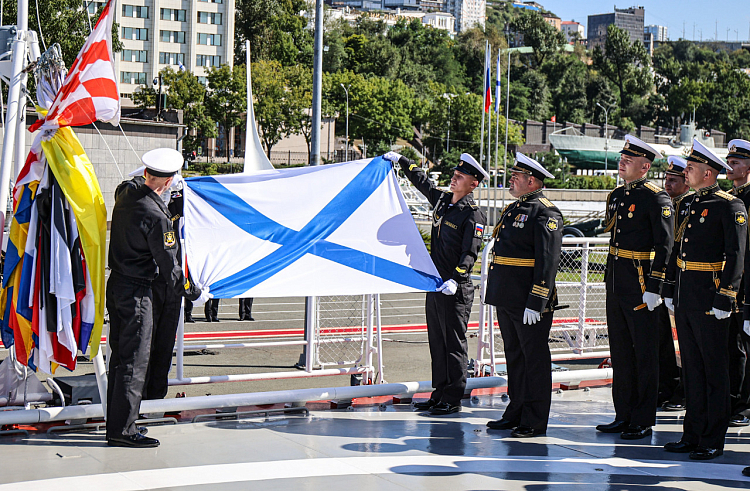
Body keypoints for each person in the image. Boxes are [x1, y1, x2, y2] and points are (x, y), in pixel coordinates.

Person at [106, 148, 211, 448]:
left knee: (120, 359)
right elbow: (170, 268)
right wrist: (194, 293)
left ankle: (115, 422)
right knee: (135, 362)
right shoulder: (158, 216)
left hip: (118, 285)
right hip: (139, 293)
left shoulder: (126, 194)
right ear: (168, 183)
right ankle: (123, 431)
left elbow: (128, 184)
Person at [383, 151, 487, 415]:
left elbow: (470, 253)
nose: (454, 179)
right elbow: (423, 182)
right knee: (437, 343)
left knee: (453, 345)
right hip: (436, 284)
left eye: (460, 177)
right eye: (454, 174)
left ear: (473, 184)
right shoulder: (443, 202)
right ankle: (438, 393)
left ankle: (452, 398)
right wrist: (404, 162)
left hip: (455, 288)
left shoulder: (473, 215)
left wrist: (456, 278)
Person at [663, 139, 747, 460]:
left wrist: (726, 296)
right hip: (686, 297)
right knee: (693, 370)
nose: (687, 172)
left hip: (711, 298)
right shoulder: (687, 204)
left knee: (714, 370)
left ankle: (713, 437)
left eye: (692, 168)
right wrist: (670, 289)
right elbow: (676, 250)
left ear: (709, 173)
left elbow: (736, 255)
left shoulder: (730, 206)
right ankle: (692, 433)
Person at [596, 135, 674, 440]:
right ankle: (623, 414)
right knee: (621, 353)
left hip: (641, 284)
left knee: (644, 354)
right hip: (616, 281)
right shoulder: (617, 195)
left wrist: (655, 287)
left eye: (629, 160)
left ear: (644, 166)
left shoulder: (656, 198)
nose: (622, 162)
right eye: (622, 157)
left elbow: (664, 246)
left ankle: (642, 418)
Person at [484, 153, 563, 438]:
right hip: (507, 296)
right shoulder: (516, 207)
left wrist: (537, 301)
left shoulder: (546, 212)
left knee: (535, 361)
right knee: (515, 357)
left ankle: (534, 419)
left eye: (516, 176)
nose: (511, 180)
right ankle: (515, 411)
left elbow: (548, 260)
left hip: (528, 300)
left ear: (531, 181)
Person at [658, 156, 692, 411]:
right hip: (667, 282)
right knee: (666, 340)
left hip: (687, 281)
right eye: (666, 179)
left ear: (686, 182)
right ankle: (670, 385)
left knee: (686, 344)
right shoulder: (666, 204)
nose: (667, 184)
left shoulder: (690, 205)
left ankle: (684, 391)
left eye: (673, 180)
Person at [725, 139, 750, 427]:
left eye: (737, 162)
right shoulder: (729, 198)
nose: (730, 166)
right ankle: (733, 398)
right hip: (731, 281)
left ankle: (745, 404)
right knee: (731, 344)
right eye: (729, 161)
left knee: (745, 346)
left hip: (746, 282)